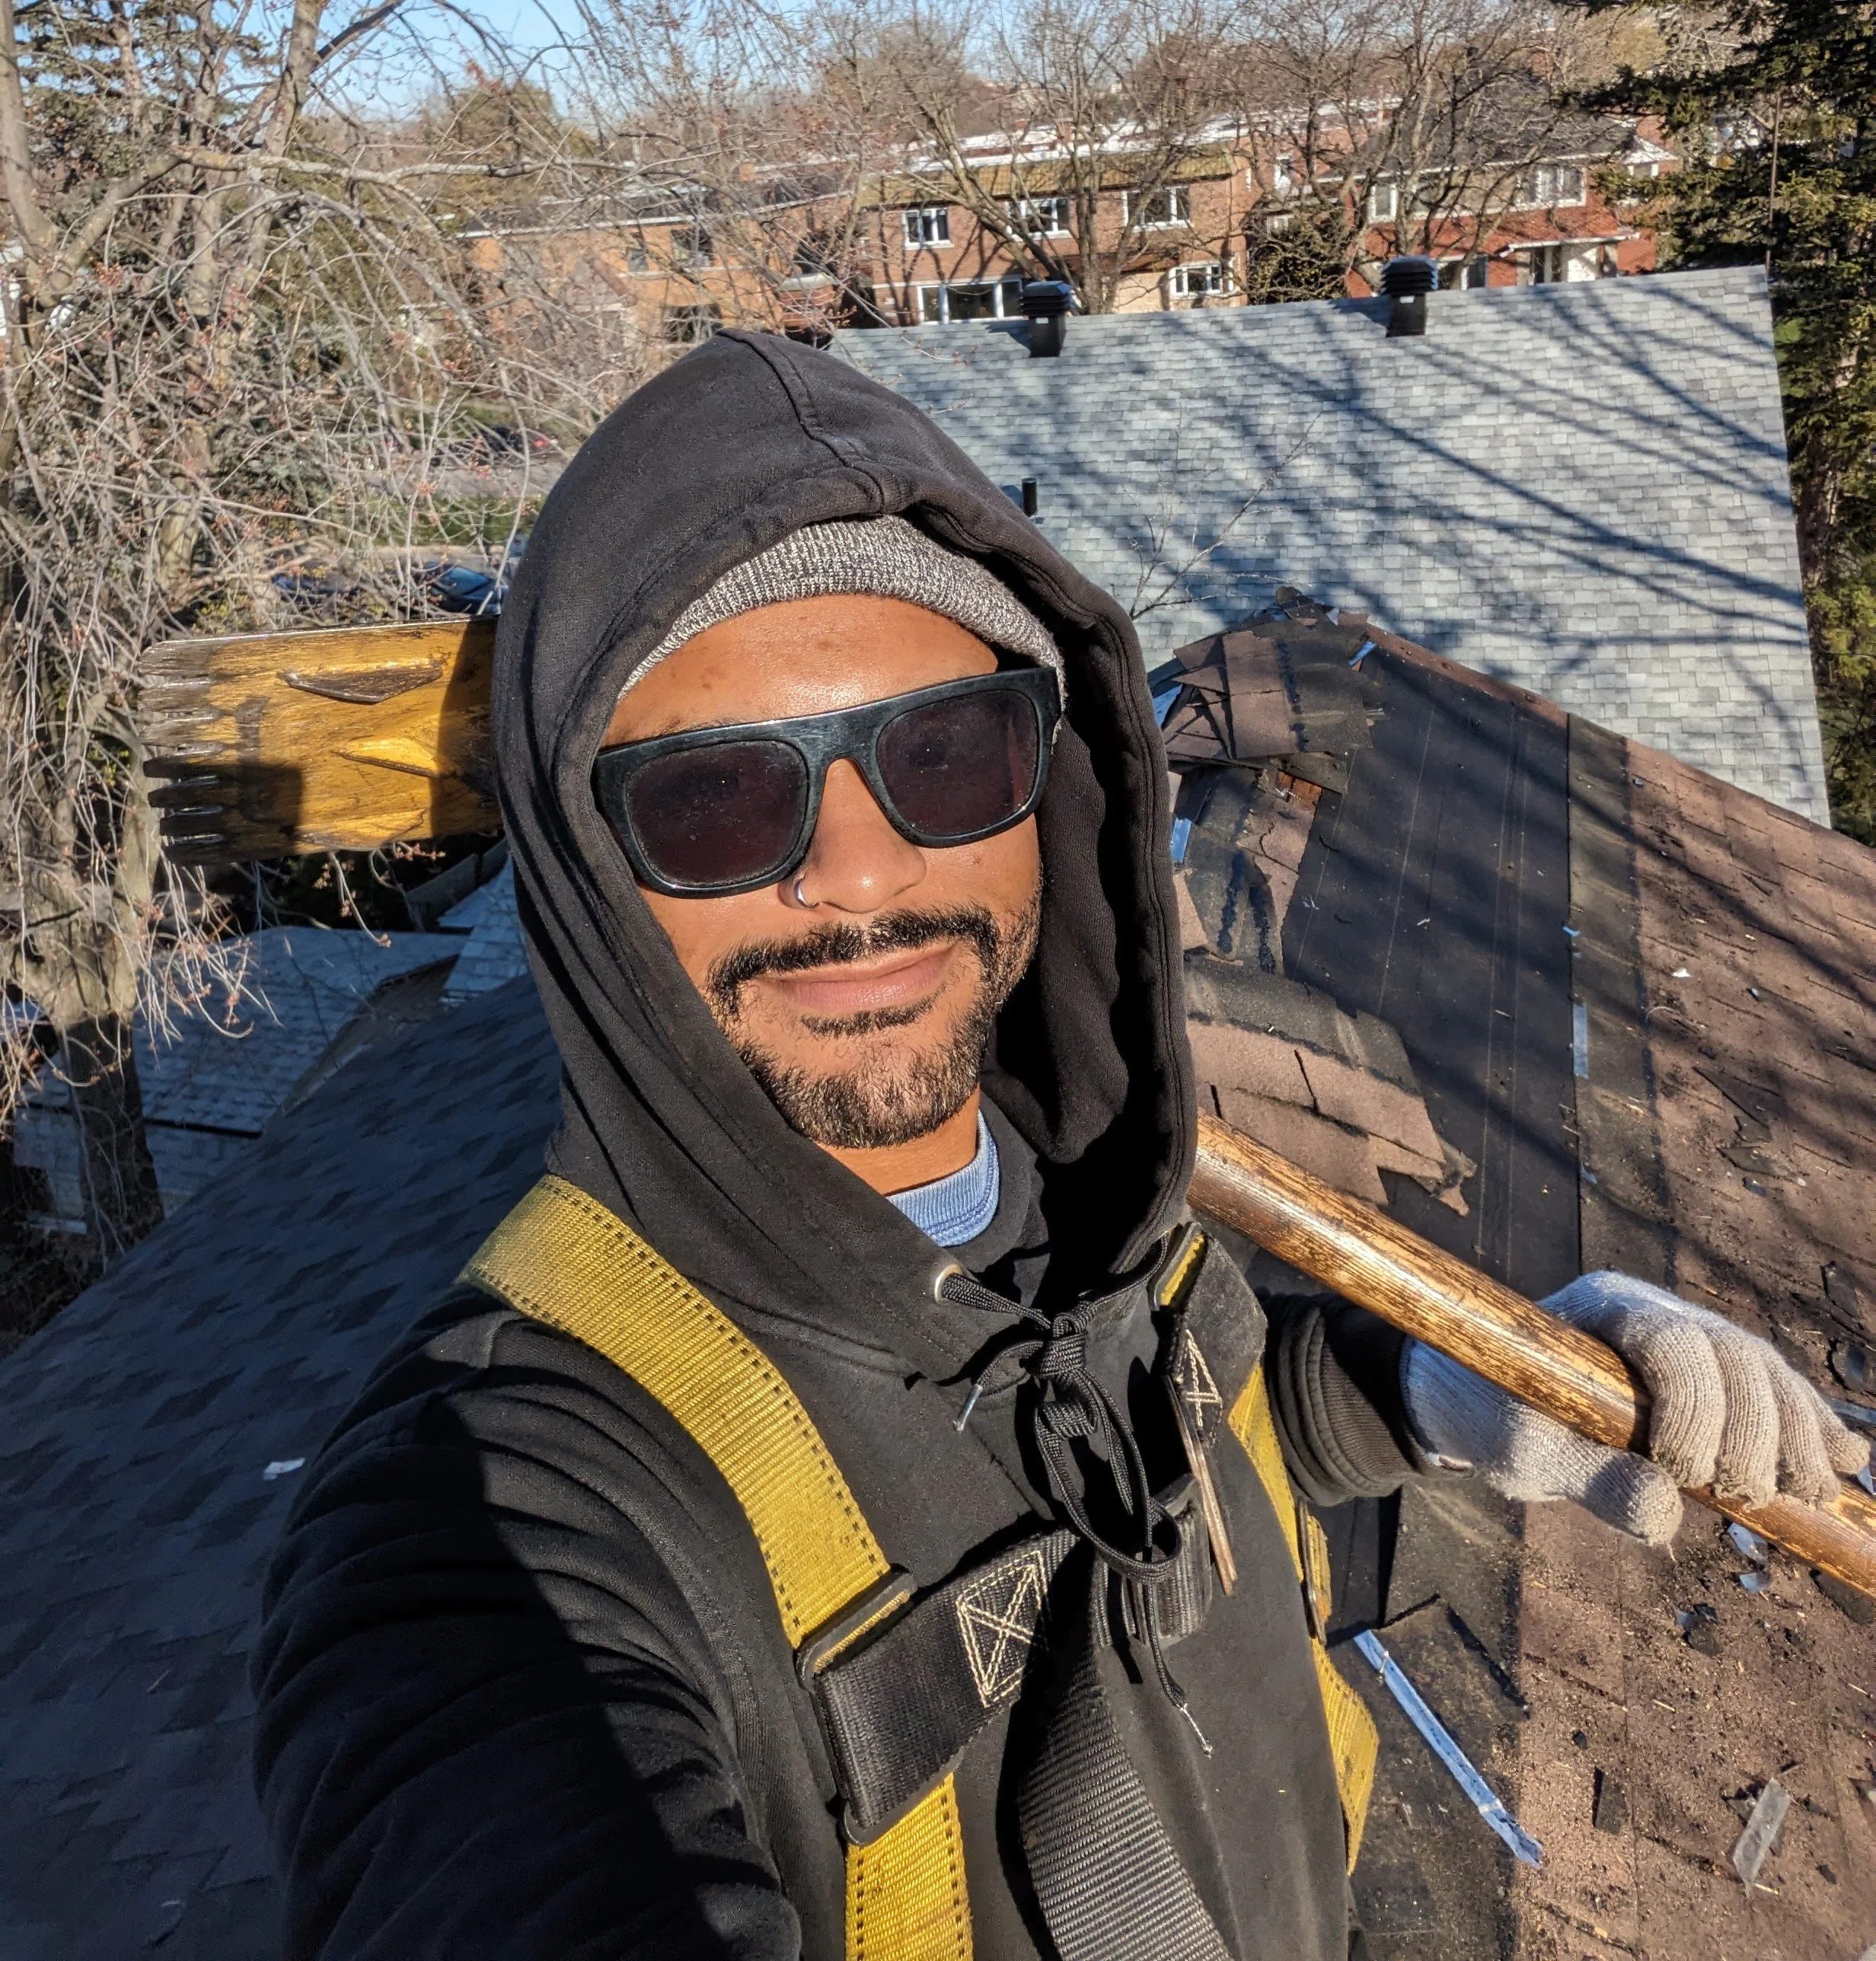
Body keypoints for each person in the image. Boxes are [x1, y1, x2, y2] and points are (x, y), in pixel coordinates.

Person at [252, 330, 1867, 1961]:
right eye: (718, 800)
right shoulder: (488, 1522)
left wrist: (1440, 1391)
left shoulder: (1094, 1213)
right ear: (595, 867)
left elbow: (1188, 1429)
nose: (862, 876)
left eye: (942, 754)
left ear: (1054, 783)